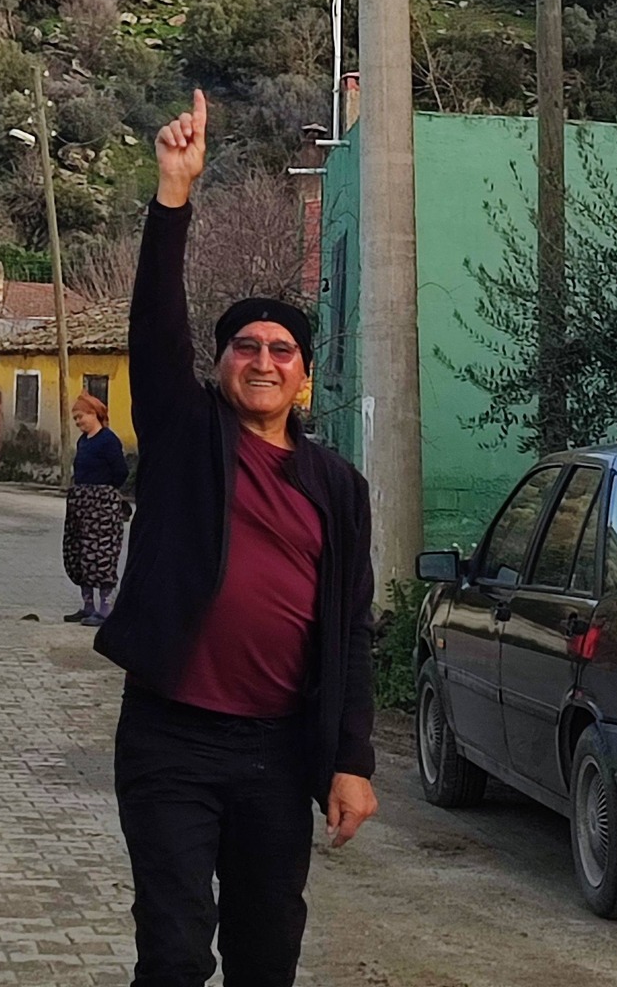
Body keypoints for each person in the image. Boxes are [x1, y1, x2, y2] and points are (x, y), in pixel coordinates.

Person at [95, 89, 378, 987]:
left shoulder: (337, 485)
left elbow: (351, 633)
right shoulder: (187, 438)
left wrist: (352, 763)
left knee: (267, 954)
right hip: (172, 736)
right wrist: (172, 194)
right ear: (220, 367)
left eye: (280, 350)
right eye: (243, 346)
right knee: (175, 949)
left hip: (278, 747)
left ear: (301, 377)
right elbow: (151, 330)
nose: (260, 359)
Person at [63, 390, 129, 627]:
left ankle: (105, 609)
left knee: (100, 555)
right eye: (76, 419)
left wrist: (104, 493)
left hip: (101, 505)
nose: (78, 422)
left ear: (94, 414)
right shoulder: (83, 442)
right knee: (80, 552)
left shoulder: (108, 440)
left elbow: (120, 471)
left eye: (81, 417)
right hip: (81, 503)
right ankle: (87, 606)